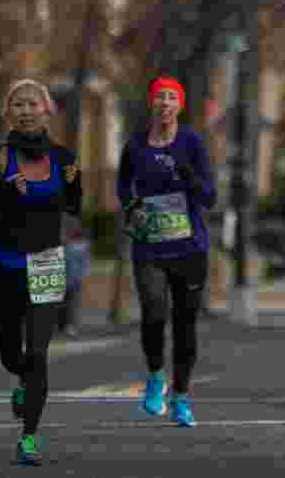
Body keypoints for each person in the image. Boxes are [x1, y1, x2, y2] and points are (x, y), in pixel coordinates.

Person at [0, 79, 82, 466]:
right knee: (12, 355)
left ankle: (28, 437)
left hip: (47, 263)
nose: (26, 111)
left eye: (33, 104)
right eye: (18, 104)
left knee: (38, 353)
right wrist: (3, 194)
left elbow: (74, 206)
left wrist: (74, 185)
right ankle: (23, 381)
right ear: (8, 113)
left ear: (47, 111)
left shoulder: (64, 159)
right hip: (6, 266)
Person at [116, 76, 217, 428]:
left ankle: (182, 398)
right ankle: (156, 375)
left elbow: (209, 197)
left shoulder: (192, 142)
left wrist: (189, 176)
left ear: (180, 105)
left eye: (172, 97)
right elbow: (123, 184)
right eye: (160, 96)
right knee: (154, 310)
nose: (165, 103)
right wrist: (131, 206)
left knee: (185, 324)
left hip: (189, 247)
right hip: (150, 245)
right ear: (152, 102)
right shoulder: (135, 145)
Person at [60, 217, 91, 338]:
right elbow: (85, 264)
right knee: (71, 304)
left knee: (70, 304)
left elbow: (85, 263)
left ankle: (69, 325)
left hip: (71, 278)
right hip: (71, 278)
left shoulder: (71, 245)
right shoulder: (81, 245)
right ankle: (68, 325)